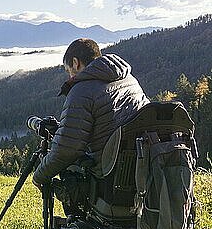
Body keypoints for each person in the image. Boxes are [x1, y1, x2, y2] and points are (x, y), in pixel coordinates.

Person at [32, 38, 150, 189]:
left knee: (71, 170)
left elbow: (67, 150)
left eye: (69, 70)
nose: (70, 76)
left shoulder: (82, 91)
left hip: (110, 178)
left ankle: (74, 213)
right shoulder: (129, 79)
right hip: (142, 169)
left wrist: (39, 176)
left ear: (76, 62)